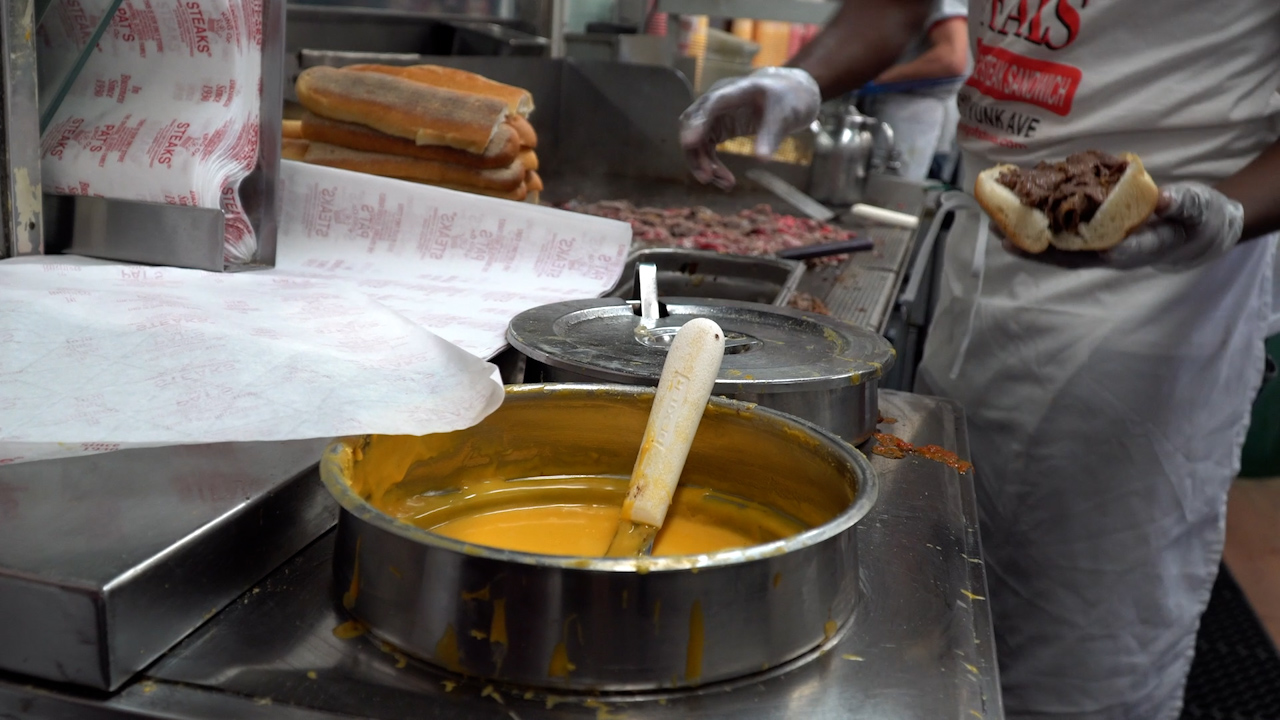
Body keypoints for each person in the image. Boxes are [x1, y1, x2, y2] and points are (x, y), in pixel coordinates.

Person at [679, 1, 1280, 718]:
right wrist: (802, 80)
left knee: (1082, 661)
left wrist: (1229, 213)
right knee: (936, 625)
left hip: (1149, 332)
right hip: (982, 282)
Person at [857, 0, 968, 181]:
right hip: (911, 115)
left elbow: (951, 59)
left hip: (910, 116)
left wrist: (878, 78)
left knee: (892, 197)